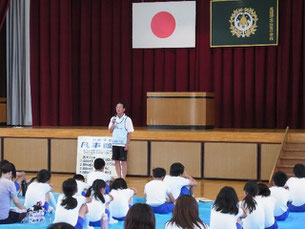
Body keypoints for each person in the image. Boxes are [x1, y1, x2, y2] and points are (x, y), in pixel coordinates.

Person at [108, 102, 134, 178]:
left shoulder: (127, 119)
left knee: (123, 161)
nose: (118, 109)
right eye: (117, 107)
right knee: (116, 161)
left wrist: (127, 144)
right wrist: (113, 123)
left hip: (123, 143)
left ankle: (123, 178)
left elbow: (130, 132)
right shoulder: (113, 118)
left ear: (124, 109)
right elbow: (110, 130)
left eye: (120, 107)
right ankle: (119, 177)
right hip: (115, 143)